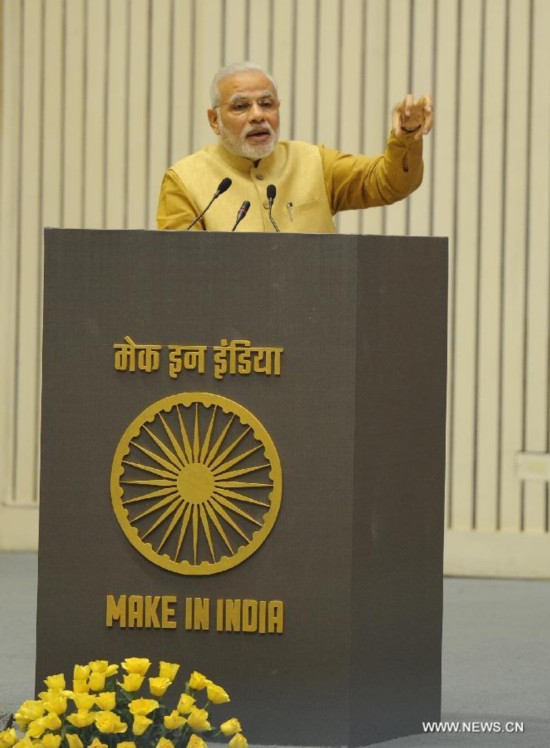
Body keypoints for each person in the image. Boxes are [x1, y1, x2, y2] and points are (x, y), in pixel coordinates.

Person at [156, 61, 433, 233]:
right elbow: (180, 269)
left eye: (266, 104)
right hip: (227, 327)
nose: (257, 115)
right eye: (241, 106)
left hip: (313, 320)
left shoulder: (314, 162)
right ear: (214, 120)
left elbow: (390, 182)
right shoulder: (185, 180)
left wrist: (406, 136)